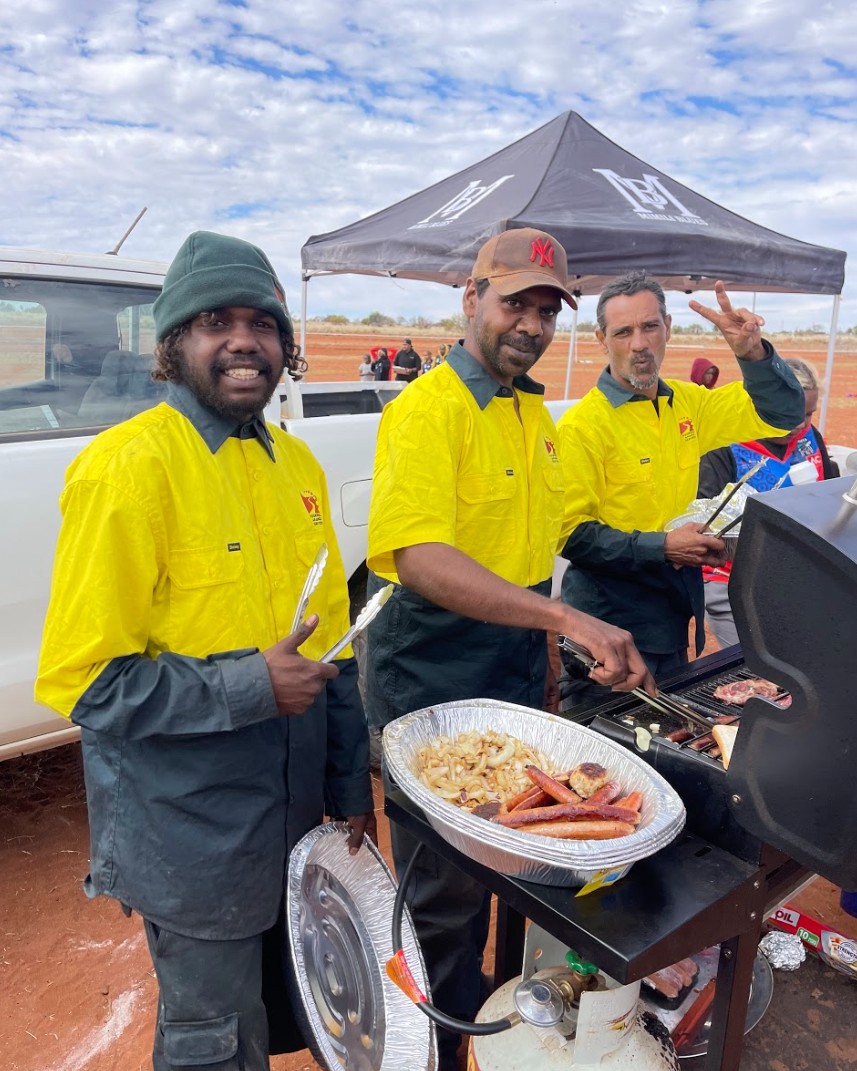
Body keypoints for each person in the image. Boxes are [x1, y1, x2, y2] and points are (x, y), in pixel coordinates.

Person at [35, 231, 375, 1071]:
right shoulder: (126, 471)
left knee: (283, 999)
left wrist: (345, 784)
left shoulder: (292, 464)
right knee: (213, 1036)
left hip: (290, 811)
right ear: (173, 343)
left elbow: (328, 646)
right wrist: (247, 686)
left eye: (262, 321)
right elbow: (84, 682)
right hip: (190, 833)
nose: (242, 339)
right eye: (214, 320)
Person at [364, 228, 653, 1070]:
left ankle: (496, 1019)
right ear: (469, 299)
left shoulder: (534, 413)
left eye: (544, 308)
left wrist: (548, 661)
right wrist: (567, 623)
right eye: (512, 302)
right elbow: (419, 555)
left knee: (517, 863)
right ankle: (432, 1049)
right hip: (433, 671)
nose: (528, 323)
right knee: (443, 895)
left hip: (513, 669)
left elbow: (533, 551)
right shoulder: (428, 410)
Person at [556, 272, 804, 705]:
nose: (639, 344)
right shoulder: (582, 427)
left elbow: (783, 415)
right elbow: (572, 535)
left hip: (674, 612)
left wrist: (754, 355)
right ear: (601, 338)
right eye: (623, 331)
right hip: (608, 625)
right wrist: (663, 547)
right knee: (612, 745)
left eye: (650, 326)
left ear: (667, 329)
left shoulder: (687, 403)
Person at [698, 358, 839, 648]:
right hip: (733, 582)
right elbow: (704, 522)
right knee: (755, 672)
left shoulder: (810, 440)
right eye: (791, 413)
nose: (800, 423)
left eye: (809, 414)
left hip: (796, 576)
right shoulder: (726, 446)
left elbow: (832, 495)